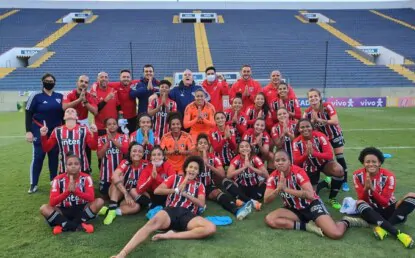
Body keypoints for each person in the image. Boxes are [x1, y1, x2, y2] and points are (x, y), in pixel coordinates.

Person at [111, 156, 216, 258]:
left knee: (210, 228)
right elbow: (157, 191)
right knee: (152, 223)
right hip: (170, 211)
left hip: (187, 213)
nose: (192, 170)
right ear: (186, 168)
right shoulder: (174, 178)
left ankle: (171, 235)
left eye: (195, 168)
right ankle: (121, 254)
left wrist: (186, 194)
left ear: (198, 172)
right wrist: (175, 190)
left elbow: (201, 203)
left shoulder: (199, 185)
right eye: (190, 167)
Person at [264, 150, 353, 239]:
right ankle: (307, 226)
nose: (280, 163)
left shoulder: (298, 172)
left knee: (335, 234)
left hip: (311, 205)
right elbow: (266, 200)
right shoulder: (273, 177)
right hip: (293, 208)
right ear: (274, 163)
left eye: (283, 160)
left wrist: (286, 189)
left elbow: (310, 195)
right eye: (277, 160)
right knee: (270, 219)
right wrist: (277, 190)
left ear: (289, 162)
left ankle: (346, 221)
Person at [351, 147, 414, 248]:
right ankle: (398, 234)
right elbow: (362, 199)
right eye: (367, 162)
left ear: (380, 162)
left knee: (412, 199)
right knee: (359, 203)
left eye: (374, 161)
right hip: (371, 212)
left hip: (388, 209)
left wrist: (372, 190)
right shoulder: (357, 175)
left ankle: (383, 228)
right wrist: (366, 189)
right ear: (363, 163)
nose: (371, 164)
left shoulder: (389, 176)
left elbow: (384, 202)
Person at [39, 155, 104, 234]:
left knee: (100, 201)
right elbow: (52, 202)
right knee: (44, 208)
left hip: (81, 208)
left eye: (76, 164)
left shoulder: (86, 177)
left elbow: (91, 198)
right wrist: (67, 192)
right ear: (66, 166)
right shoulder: (57, 179)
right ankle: (78, 225)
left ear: (80, 166)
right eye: (70, 164)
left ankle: (64, 225)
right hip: (63, 209)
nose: (73, 166)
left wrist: (75, 191)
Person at [196, 133, 253, 220]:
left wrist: (209, 166)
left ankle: (237, 211)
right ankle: (196, 208)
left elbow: (222, 174)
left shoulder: (214, 158)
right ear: (197, 146)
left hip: (208, 185)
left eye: (205, 143)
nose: (203, 145)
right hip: (195, 186)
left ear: (208, 146)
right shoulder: (192, 158)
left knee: (219, 194)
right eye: (200, 143)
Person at [303, 88, 349, 192]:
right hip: (323, 139)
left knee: (340, 157)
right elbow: (305, 125)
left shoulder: (327, 106)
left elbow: (335, 121)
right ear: (308, 99)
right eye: (310, 97)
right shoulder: (307, 112)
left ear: (319, 97)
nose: (313, 98)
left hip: (334, 135)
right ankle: (331, 176)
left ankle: (344, 181)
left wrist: (320, 120)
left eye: (315, 96)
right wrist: (312, 121)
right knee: (327, 158)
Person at [292, 118, 344, 210]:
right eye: (302, 127)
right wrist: (306, 155)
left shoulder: (320, 136)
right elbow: (296, 161)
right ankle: (325, 183)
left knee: (339, 170)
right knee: (311, 196)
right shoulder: (296, 142)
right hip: (309, 167)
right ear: (299, 129)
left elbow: (329, 155)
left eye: (307, 126)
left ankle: (332, 198)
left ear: (312, 127)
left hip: (324, 164)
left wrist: (314, 153)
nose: (305, 129)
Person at [25, 73, 63, 193]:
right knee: (38, 157)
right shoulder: (35, 96)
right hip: (39, 130)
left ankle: (53, 180)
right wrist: (28, 131)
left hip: (55, 132)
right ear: (42, 82)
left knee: (54, 156)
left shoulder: (59, 96)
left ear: (55, 83)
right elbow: (28, 113)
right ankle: (33, 183)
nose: (49, 82)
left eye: (51, 81)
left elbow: (63, 114)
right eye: (47, 81)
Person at [99, 142, 149, 225]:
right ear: (130, 153)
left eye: (140, 151)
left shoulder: (146, 164)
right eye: (134, 151)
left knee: (136, 207)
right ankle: (111, 210)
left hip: (132, 196)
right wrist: (126, 193)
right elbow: (114, 176)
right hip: (119, 193)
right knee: (119, 178)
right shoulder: (125, 162)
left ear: (143, 153)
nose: (137, 153)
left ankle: (110, 210)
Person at [40, 108, 97, 174]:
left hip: (82, 168)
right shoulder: (57, 130)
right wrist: (43, 135)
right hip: (64, 169)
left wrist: (95, 133)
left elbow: (93, 147)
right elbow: (46, 148)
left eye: (72, 111)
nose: (70, 112)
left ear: (76, 117)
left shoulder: (84, 129)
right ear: (64, 117)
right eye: (67, 111)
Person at [63, 75, 98, 172]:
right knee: (69, 146)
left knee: (86, 147)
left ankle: (87, 168)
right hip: (70, 123)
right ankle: (67, 169)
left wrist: (85, 102)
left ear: (88, 85)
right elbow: (64, 107)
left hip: (83, 122)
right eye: (81, 81)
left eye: (86, 82)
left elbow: (95, 111)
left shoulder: (89, 96)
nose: (83, 83)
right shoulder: (69, 94)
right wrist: (79, 100)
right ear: (77, 83)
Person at [92, 70, 140, 134]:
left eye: (128, 77)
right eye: (124, 77)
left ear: (130, 78)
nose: (126, 78)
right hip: (118, 120)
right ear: (120, 78)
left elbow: (147, 80)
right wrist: (94, 90)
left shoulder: (134, 84)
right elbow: (96, 83)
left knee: (131, 136)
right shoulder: (115, 85)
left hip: (132, 117)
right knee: (121, 136)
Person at [225, 140, 269, 210]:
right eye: (242, 147)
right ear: (239, 150)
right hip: (241, 186)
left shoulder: (255, 159)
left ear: (250, 149)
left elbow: (266, 175)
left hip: (254, 186)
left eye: (247, 146)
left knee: (269, 181)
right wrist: (244, 167)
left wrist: (250, 167)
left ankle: (243, 200)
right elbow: (228, 175)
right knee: (225, 181)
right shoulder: (236, 159)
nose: (244, 148)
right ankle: (251, 201)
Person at [97, 118, 129, 196]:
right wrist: (108, 141)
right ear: (106, 127)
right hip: (106, 174)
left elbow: (126, 151)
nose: (112, 126)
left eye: (114, 124)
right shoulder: (101, 138)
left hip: (120, 174)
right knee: (105, 195)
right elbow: (100, 155)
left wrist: (113, 140)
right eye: (109, 124)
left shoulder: (123, 137)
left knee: (117, 195)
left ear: (117, 126)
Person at [147, 80, 177, 145]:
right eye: (162, 87)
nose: (164, 88)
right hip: (154, 132)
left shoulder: (173, 103)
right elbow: (149, 114)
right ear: (159, 89)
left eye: (166, 87)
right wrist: (160, 106)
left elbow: (173, 117)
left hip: (167, 132)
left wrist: (166, 106)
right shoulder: (153, 101)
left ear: (169, 90)